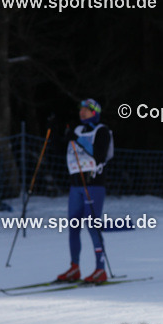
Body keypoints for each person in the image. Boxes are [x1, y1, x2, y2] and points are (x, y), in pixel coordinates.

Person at [57, 98, 114, 283]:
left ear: (95, 112)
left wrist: (78, 140)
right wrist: (56, 132)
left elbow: (99, 155)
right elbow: (61, 149)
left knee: (92, 225)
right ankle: (74, 267)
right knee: (73, 227)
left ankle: (100, 269)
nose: (82, 112)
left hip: (93, 185)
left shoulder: (102, 131)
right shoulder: (77, 130)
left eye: (86, 110)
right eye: (81, 109)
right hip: (76, 186)